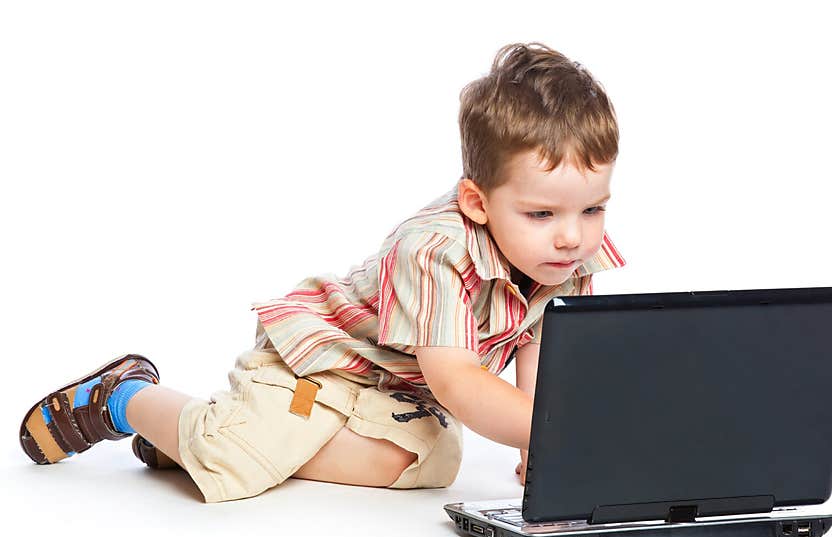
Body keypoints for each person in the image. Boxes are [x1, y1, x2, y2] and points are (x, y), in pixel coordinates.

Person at [18, 41, 626, 503]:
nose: (573, 235)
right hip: (322, 362)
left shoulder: (560, 253)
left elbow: (539, 352)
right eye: (542, 212)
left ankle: (197, 439)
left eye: (592, 208)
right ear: (476, 201)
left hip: (392, 388)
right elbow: (460, 382)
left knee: (433, 465)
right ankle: (125, 398)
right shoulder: (437, 250)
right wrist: (564, 430)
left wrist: (535, 443)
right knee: (236, 465)